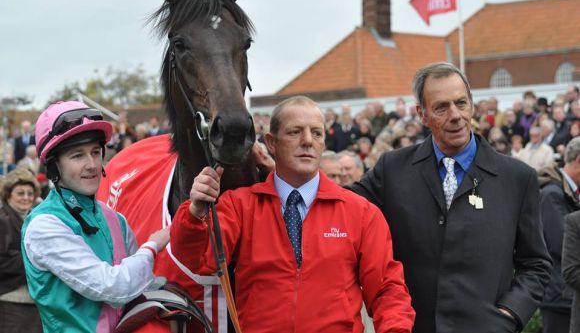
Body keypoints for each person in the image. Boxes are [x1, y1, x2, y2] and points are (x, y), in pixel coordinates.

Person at [171, 96, 415, 332]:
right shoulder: (240, 206)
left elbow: (386, 289)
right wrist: (195, 211)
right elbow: (196, 259)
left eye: (316, 133)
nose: (308, 141)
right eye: (295, 132)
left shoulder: (360, 212)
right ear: (271, 142)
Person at [350, 62, 551, 332]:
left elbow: (536, 264)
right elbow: (339, 204)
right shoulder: (392, 170)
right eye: (442, 107)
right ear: (422, 114)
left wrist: (510, 314)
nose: (455, 115)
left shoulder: (517, 178)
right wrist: (275, 170)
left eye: (461, 103)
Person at [21, 101, 170, 333]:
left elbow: (141, 285)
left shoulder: (114, 218)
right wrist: (152, 246)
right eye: (77, 155)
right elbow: (113, 286)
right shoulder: (44, 225)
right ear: (53, 166)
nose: (91, 164)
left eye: (95, 152)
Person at [538, 137, 580, 333]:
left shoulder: (568, 192)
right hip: (559, 297)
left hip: (566, 295)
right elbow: (563, 243)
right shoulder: (552, 194)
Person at [0, 168, 43, 333]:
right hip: (11, 301)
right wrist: (34, 257)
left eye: (30, 193)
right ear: (8, 194)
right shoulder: (2, 220)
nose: (26, 198)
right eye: (20, 193)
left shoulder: (35, 219)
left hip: (35, 300)